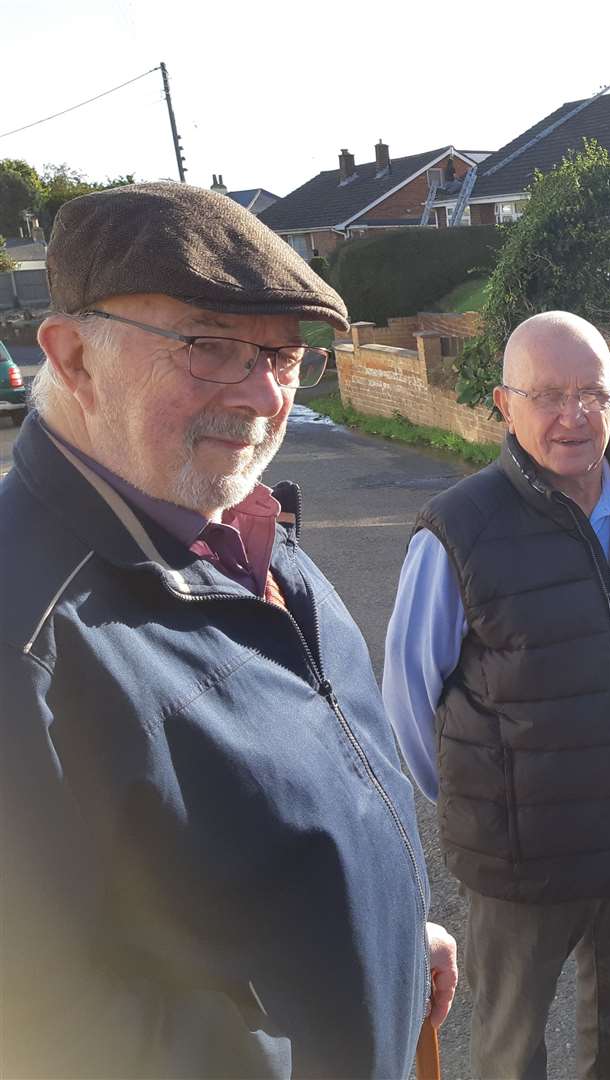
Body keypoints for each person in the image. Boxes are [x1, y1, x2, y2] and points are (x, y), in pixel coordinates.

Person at [0, 182, 457, 1078]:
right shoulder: (29, 634)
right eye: (209, 348)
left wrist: (395, 932)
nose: (260, 395)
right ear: (74, 357)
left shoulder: (235, 525)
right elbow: (46, 1024)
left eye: (284, 357)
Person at [383, 311, 610, 1080]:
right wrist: (484, 804)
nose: (573, 415)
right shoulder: (459, 529)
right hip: (523, 854)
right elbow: (407, 701)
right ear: (503, 403)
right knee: (512, 1044)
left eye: (592, 392)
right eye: (549, 394)